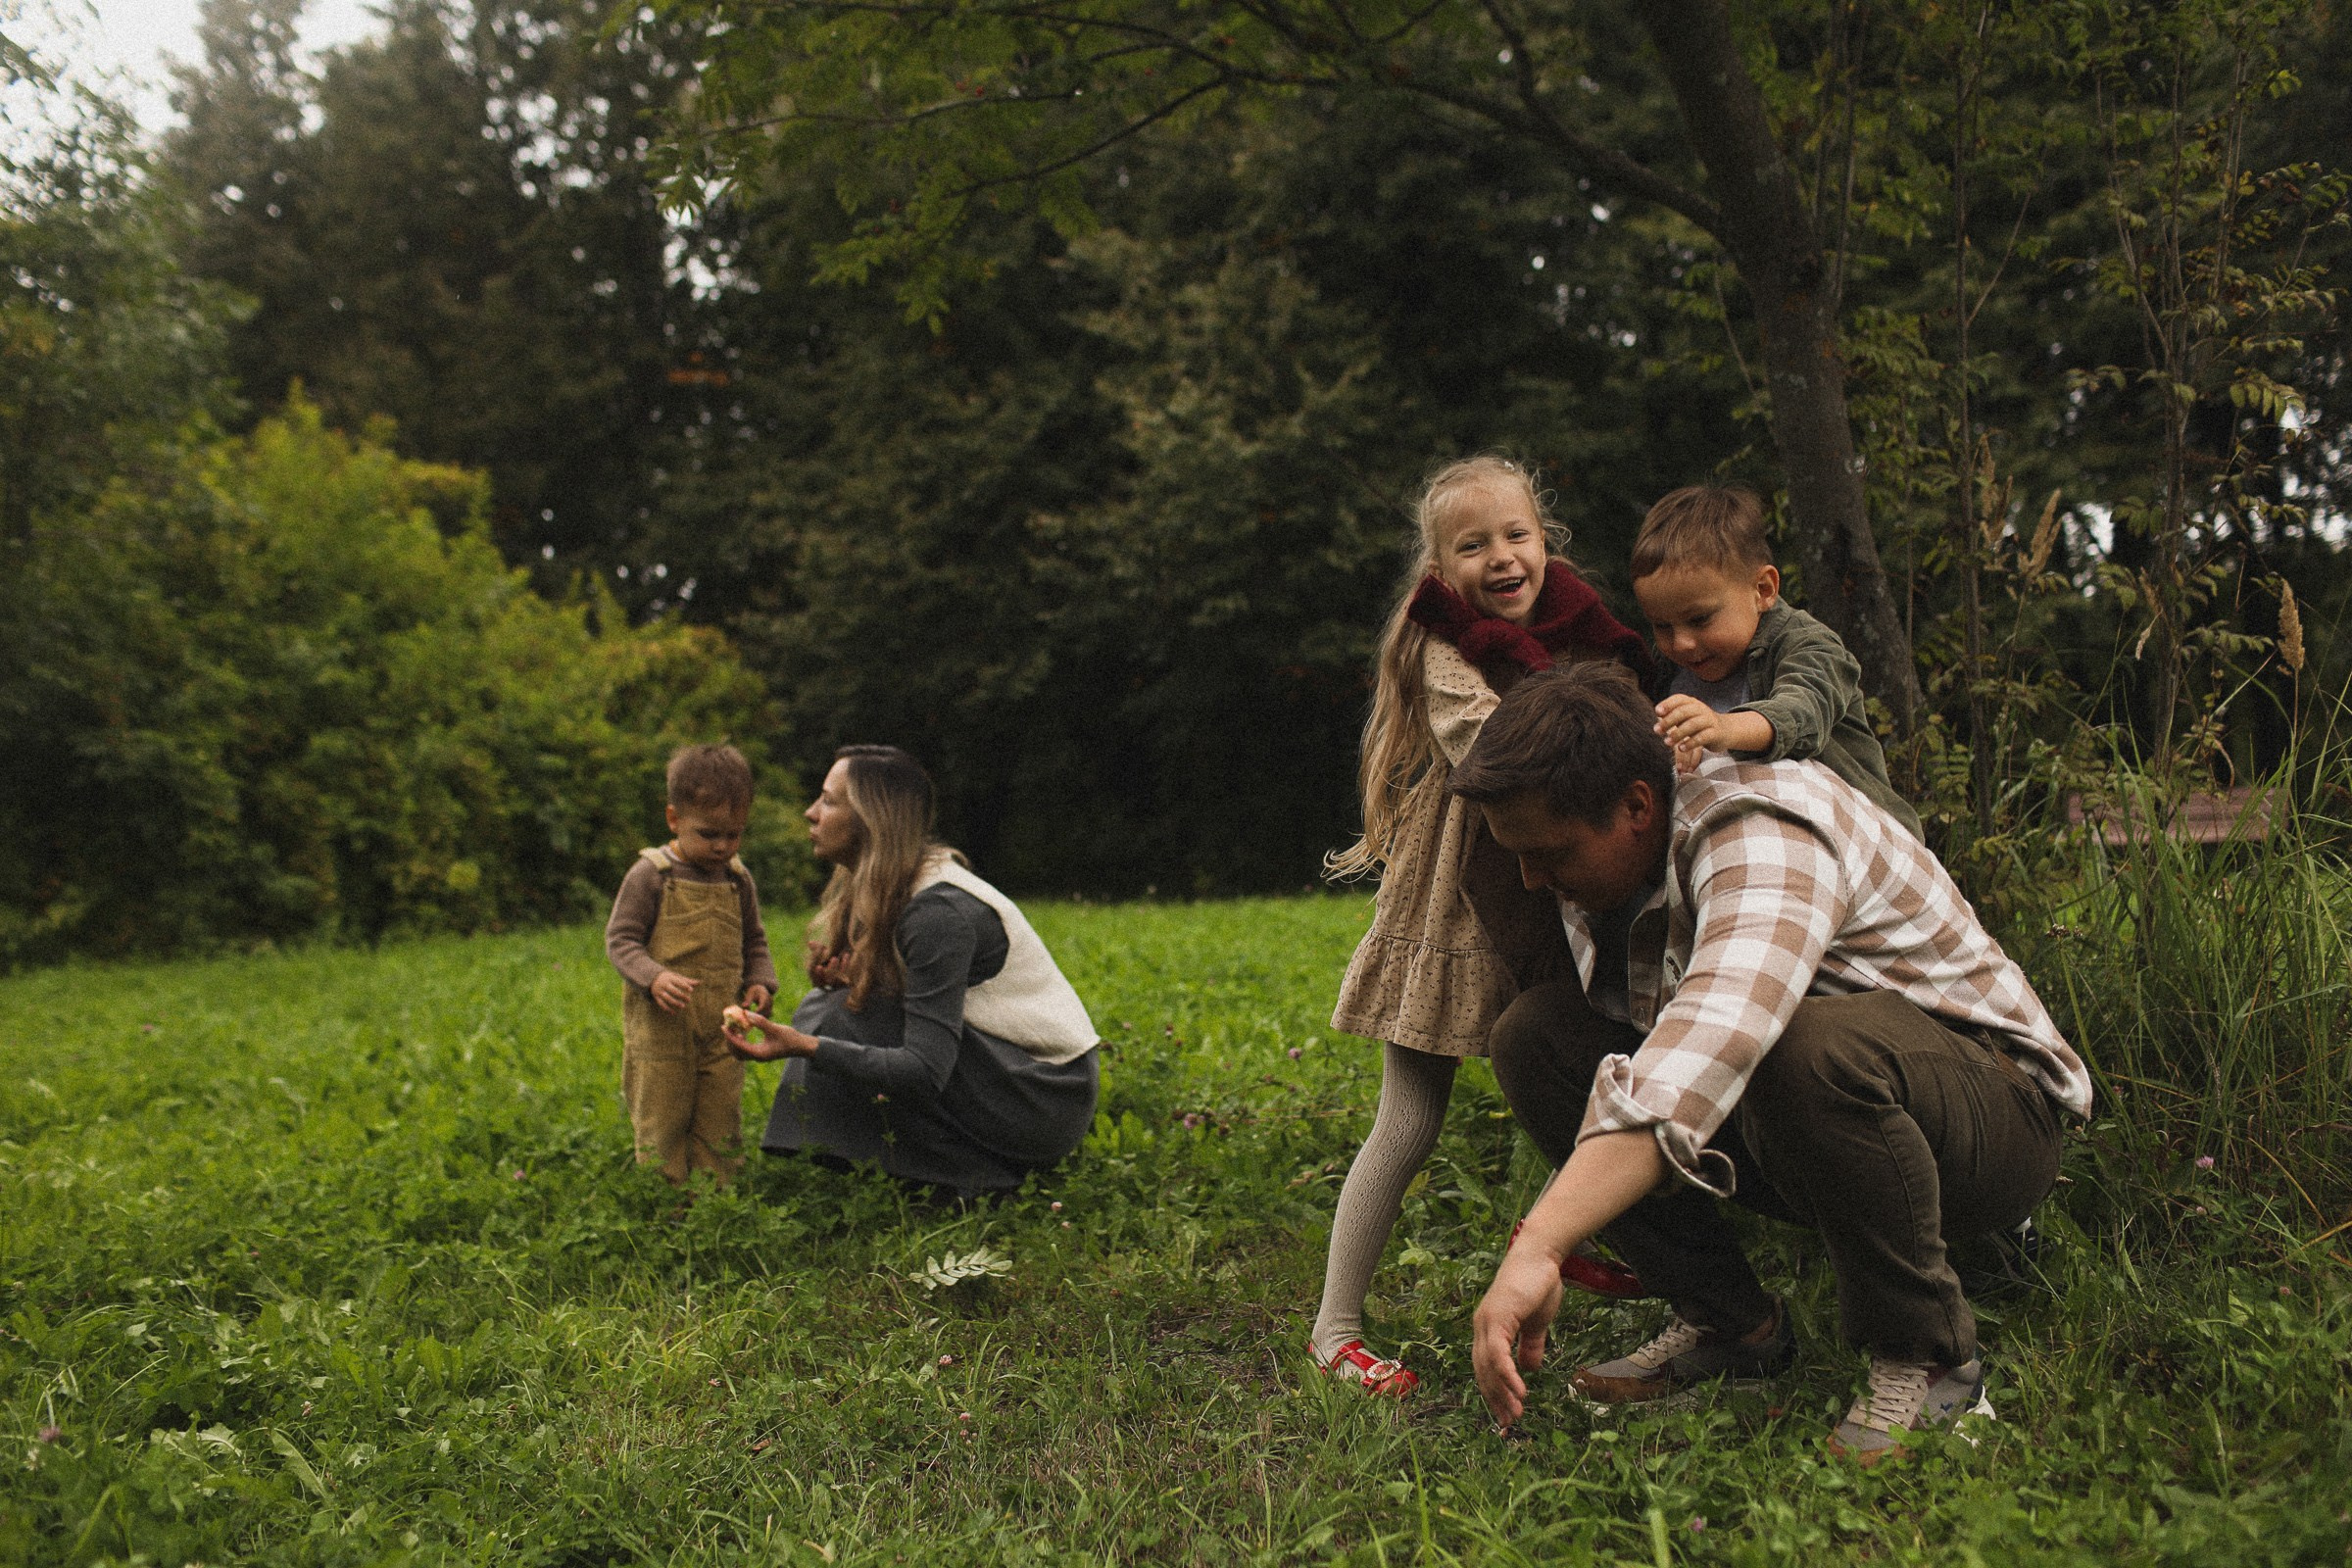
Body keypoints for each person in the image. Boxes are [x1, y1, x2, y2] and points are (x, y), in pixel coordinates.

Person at [1452, 664, 2091, 1463]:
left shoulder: (1760, 824)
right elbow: (1671, 1060)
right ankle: (1734, 1328)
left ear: (1637, 808)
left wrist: (1539, 1245)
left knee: (1800, 1046)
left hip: (1993, 1117)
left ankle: (1932, 1363)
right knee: (1535, 1037)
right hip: (1818, 1114)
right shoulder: (1606, 856)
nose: (1532, 878)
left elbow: (1716, 1040)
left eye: (1550, 852)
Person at [1317, 455, 1652, 1396]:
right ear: (1440, 562)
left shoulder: (1586, 624)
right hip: (1459, 898)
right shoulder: (1443, 643)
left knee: (1595, 1074)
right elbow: (1497, 750)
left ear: (1546, 540)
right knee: (1411, 1116)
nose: (1501, 558)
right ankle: (1333, 1326)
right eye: (1473, 545)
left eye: (1517, 536)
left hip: (1565, 889)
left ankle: (1584, 1239)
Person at [727, 745, 1101, 1197]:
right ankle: (947, 1167)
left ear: (870, 820)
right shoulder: (895, 886)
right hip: (1017, 1080)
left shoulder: (938, 913)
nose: (811, 812)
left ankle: (981, 1174)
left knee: (831, 1021)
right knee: (835, 1006)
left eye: (828, 800)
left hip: (1045, 1098)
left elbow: (925, 1070)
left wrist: (805, 1047)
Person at [1631, 486, 1924, 839]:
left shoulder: (1807, 644)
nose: (1680, 643)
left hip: (1862, 841)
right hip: (1743, 839)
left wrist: (1723, 729)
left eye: (1700, 619)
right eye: (1662, 626)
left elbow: (1803, 713)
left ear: (1763, 589)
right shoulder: (1668, 670)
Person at [604, 744, 781, 1185]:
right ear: (673, 819)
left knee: (721, 1122)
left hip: (722, 1033)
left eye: (734, 834)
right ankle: (668, 1208)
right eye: (708, 834)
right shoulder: (652, 875)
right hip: (662, 1033)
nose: (722, 846)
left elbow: (754, 940)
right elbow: (621, 940)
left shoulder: (737, 879)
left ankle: (715, 1207)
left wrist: (761, 980)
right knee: (662, 1125)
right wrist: (654, 976)